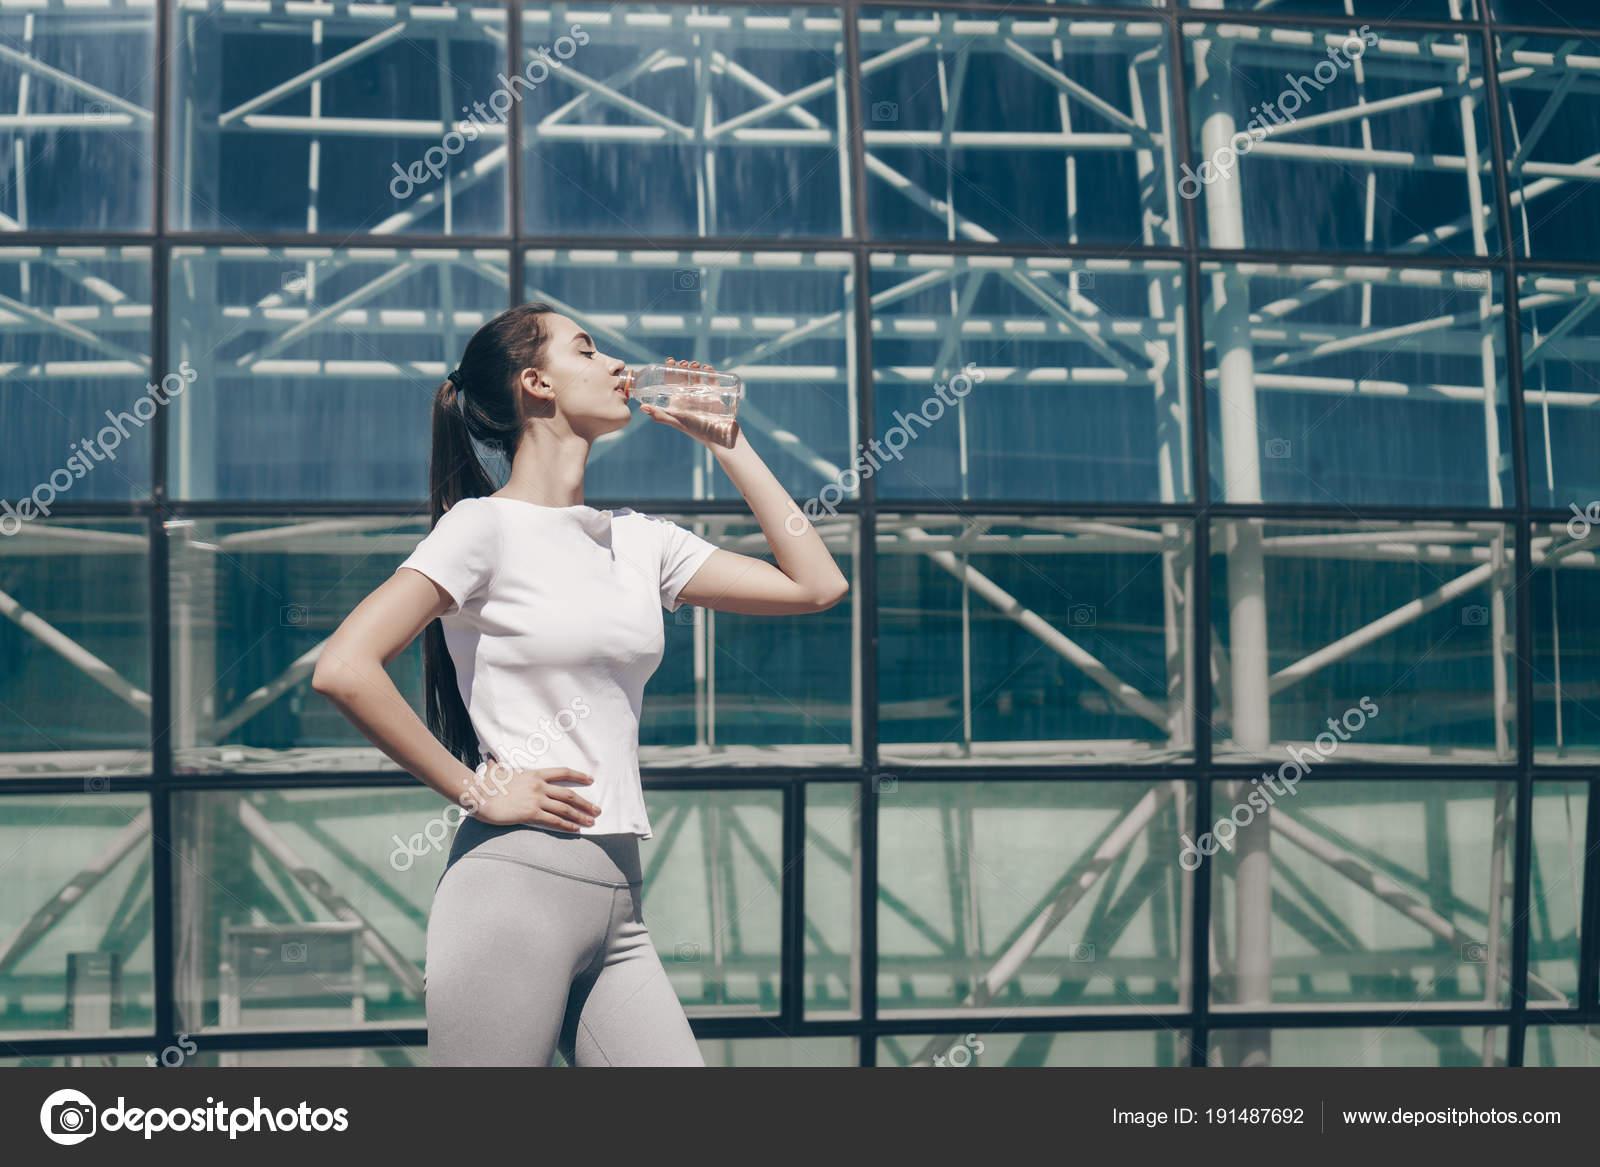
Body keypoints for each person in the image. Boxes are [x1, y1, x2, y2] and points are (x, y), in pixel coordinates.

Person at [311, 302, 848, 1066]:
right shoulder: (480, 527)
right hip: (512, 891)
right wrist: (473, 789)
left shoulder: (640, 539)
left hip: (620, 904)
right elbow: (343, 666)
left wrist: (732, 447)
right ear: (537, 383)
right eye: (588, 350)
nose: (615, 366)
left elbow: (817, 584)